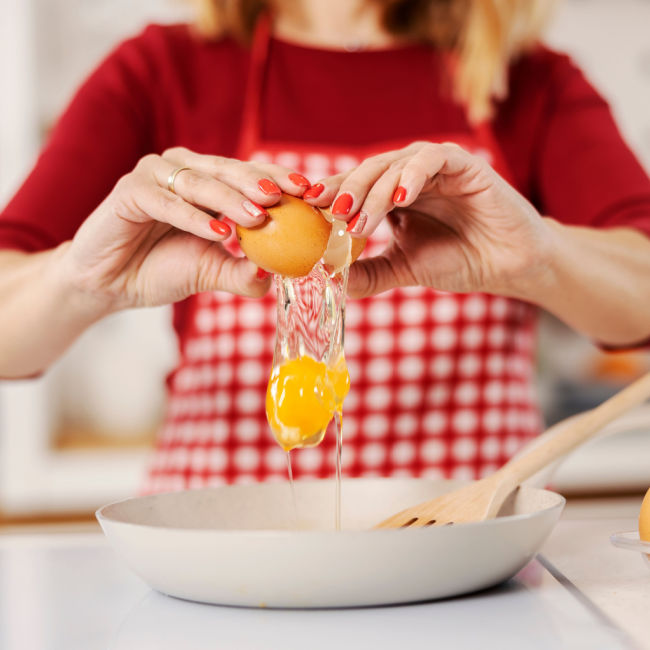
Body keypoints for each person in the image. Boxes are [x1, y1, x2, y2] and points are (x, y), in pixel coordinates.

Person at [1, 0, 649, 493]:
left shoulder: (529, 81)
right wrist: (85, 281)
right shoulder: (165, 71)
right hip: (222, 562)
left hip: (468, 553)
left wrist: (538, 257)